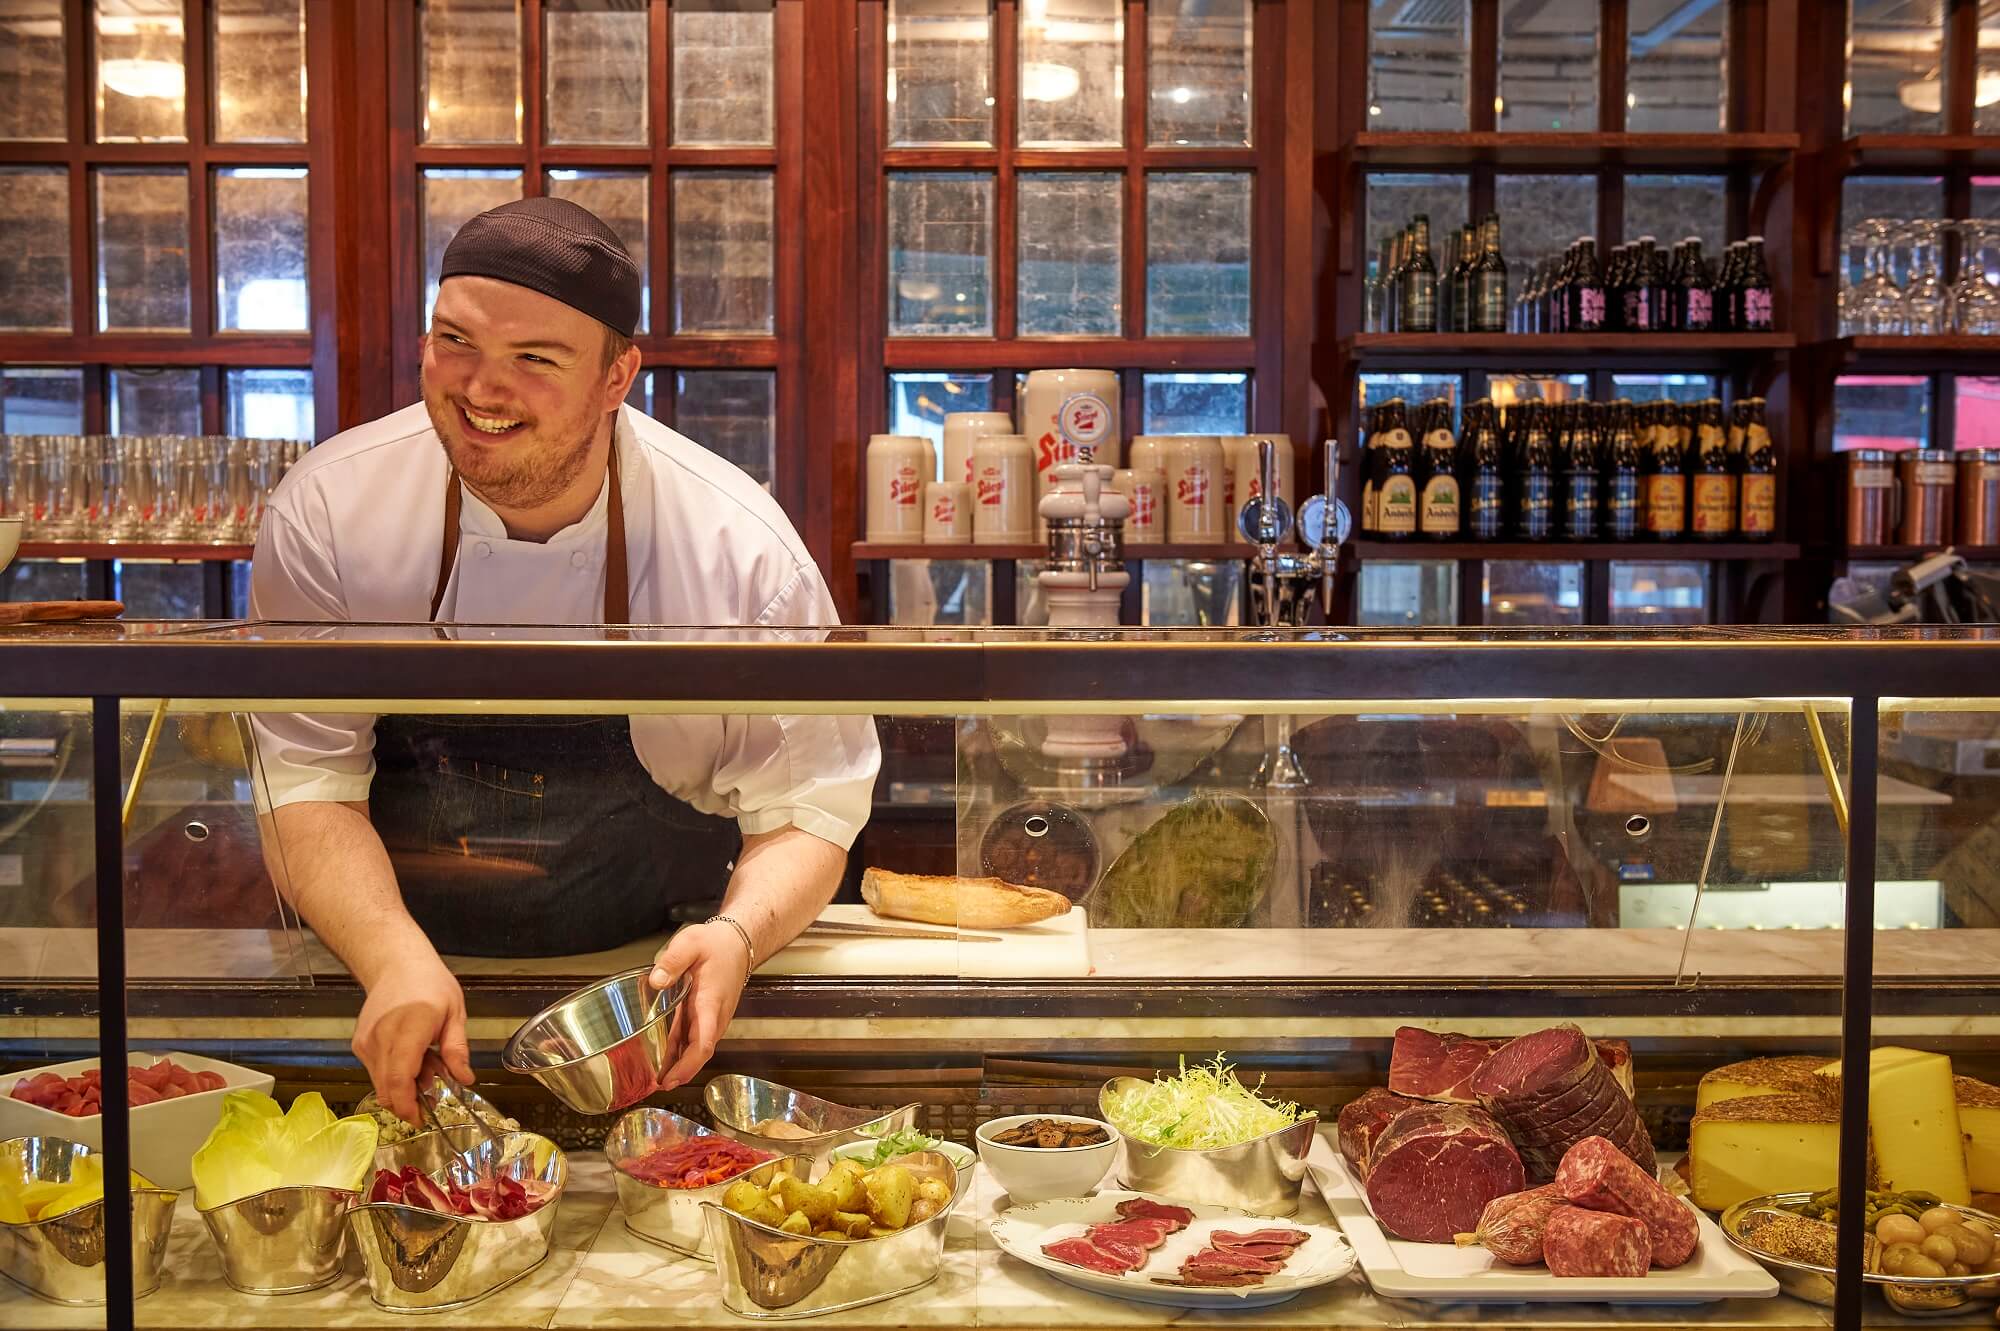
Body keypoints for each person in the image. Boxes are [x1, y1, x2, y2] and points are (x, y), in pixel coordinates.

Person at [249, 198, 879, 1122]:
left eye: (535, 359)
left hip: (644, 1011)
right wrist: (390, 954)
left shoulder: (737, 548)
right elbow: (303, 779)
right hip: (391, 989)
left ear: (618, 373)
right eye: (453, 341)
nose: (480, 389)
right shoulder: (332, 514)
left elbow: (812, 806)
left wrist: (739, 935)